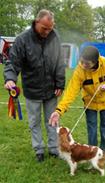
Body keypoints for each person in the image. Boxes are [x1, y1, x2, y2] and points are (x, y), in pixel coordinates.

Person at [4, 9, 65, 162]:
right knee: (34, 122)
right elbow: (13, 62)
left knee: (52, 120)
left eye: (50, 28)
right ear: (36, 22)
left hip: (51, 89)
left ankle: (53, 149)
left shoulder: (54, 36)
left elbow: (59, 60)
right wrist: (10, 78)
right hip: (32, 89)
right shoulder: (22, 39)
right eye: (44, 28)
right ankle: (38, 149)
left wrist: (60, 83)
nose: (47, 31)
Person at [49, 46, 105, 151]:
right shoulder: (79, 70)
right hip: (90, 104)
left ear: (96, 61)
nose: (83, 65)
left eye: (87, 64)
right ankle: (92, 153)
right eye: (82, 62)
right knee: (91, 129)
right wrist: (59, 111)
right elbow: (70, 92)